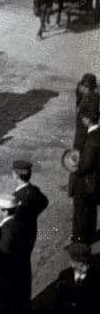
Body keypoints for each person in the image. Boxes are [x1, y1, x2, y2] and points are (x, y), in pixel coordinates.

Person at [0, 192, 32, 313]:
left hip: (9, 279)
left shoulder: (7, 230)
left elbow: (0, 257)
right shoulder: (16, 223)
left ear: (4, 211)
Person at [69, 103, 99, 244]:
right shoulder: (97, 134)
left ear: (87, 118)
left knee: (80, 213)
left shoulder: (91, 138)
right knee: (91, 211)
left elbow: (85, 165)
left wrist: (73, 166)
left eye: (82, 117)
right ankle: (90, 235)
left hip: (85, 181)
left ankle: (78, 240)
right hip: (94, 181)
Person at [50, 241, 100, 313]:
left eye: (88, 264)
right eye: (82, 265)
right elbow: (58, 301)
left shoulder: (96, 276)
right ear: (72, 263)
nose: (86, 268)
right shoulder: (65, 276)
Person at [11, 159, 48, 253]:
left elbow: (15, 219)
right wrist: (33, 213)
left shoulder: (19, 197)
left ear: (16, 176)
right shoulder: (34, 189)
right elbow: (44, 201)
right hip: (31, 230)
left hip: (20, 236)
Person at [74, 74, 99, 149]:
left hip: (84, 140)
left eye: (81, 85)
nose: (79, 87)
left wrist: (77, 148)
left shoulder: (89, 100)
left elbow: (83, 129)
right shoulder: (92, 96)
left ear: (87, 87)